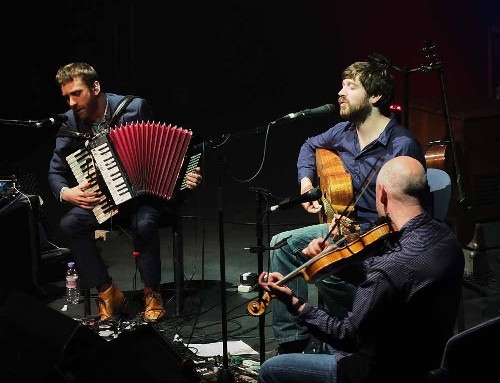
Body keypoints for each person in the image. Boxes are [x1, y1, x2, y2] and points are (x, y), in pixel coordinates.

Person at [268, 60, 429, 354]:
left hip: (382, 240)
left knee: (324, 266)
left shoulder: (401, 146)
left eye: (351, 87)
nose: (340, 93)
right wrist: (306, 183)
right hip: (346, 229)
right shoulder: (343, 132)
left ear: (375, 97)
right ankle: (292, 344)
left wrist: (348, 241)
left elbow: (412, 218)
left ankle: (356, 332)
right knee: (282, 244)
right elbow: (309, 145)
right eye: (342, 85)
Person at [259, 156, 465, 383]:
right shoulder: (447, 238)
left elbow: (346, 335)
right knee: (325, 346)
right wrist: (334, 261)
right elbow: (395, 283)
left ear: (383, 193)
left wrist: (295, 303)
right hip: (428, 361)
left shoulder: (388, 269)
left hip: (377, 372)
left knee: (271, 368)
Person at [47, 62, 202, 322]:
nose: (72, 103)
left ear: (95, 87)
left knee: (144, 223)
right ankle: (108, 293)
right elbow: (55, 172)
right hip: (105, 202)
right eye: (66, 97)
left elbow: (160, 148)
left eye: (77, 93)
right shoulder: (69, 124)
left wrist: (185, 176)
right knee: (70, 224)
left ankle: (152, 292)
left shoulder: (133, 108)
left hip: (143, 198)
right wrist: (67, 192)